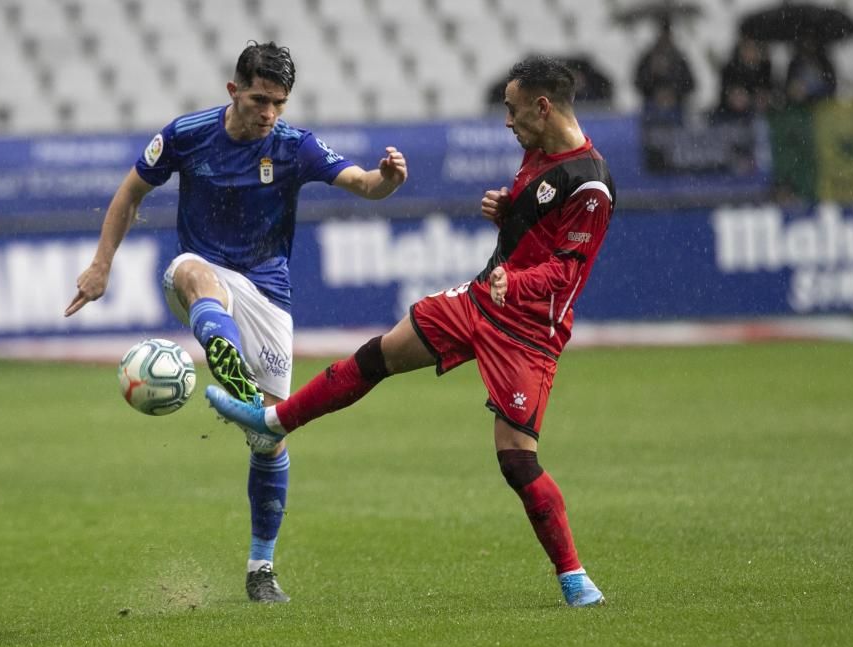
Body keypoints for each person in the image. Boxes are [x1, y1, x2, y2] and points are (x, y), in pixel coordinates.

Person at [208, 55, 615, 607]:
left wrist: (511, 282)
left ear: (543, 108)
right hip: (481, 301)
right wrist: (507, 210)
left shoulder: (591, 184)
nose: (507, 121)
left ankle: (575, 579)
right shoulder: (537, 151)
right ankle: (274, 422)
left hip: (528, 331)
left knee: (517, 461)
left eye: (513, 110)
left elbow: (568, 268)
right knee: (381, 354)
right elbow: (536, 230)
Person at [64, 41, 408, 603]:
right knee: (197, 275)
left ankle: (261, 569)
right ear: (233, 91)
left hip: (267, 296)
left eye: (278, 102)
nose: (268, 112)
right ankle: (227, 362)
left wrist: (388, 178)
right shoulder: (187, 134)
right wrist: (101, 265)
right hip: (200, 276)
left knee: (267, 439)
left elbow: (365, 185)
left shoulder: (295, 147)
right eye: (258, 99)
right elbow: (129, 193)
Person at [633, 17, 695, 124]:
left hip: (675, 109)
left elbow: (690, 84)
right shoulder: (649, 58)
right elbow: (638, 82)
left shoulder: (679, 59)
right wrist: (654, 90)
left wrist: (673, 94)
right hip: (652, 109)